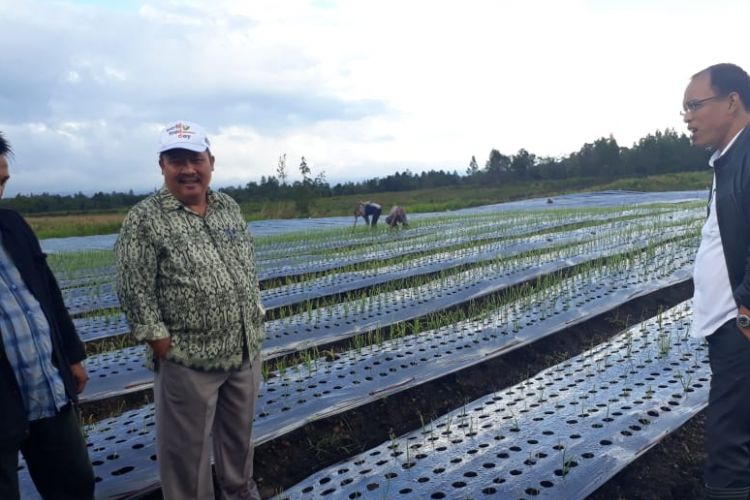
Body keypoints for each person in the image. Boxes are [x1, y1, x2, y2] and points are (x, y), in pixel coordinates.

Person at [115, 121, 266, 500]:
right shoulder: (145, 218)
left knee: (238, 443)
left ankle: (240, 494)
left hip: (243, 350)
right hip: (188, 357)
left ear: (211, 161)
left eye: (195, 159)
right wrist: (160, 341)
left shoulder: (228, 206)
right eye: (176, 160)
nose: (187, 169)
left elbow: (246, 265)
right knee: (187, 454)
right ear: (162, 165)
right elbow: (134, 288)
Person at [0, 131, 95, 499]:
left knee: (74, 483)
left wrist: (71, 356)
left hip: (44, 385)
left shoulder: (13, 226)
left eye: (3, 182)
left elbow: (48, 293)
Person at [685, 63, 750, 500]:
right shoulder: (728, 160)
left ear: (732, 101)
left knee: (728, 448)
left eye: (694, 105)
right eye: (683, 110)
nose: (688, 117)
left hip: (740, 328)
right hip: (729, 327)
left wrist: (745, 311)